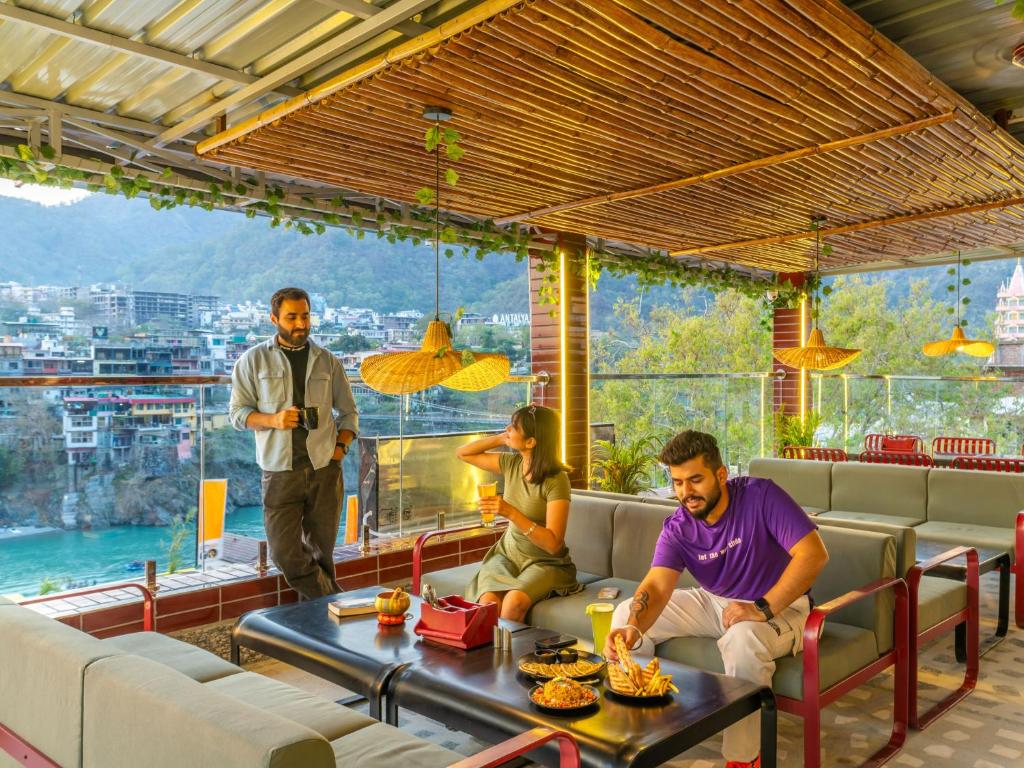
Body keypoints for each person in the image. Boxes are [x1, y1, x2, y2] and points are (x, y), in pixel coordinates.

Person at [604, 430, 828, 768]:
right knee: (625, 614)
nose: (685, 493)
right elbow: (658, 586)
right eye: (678, 482)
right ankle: (639, 729)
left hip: (783, 607)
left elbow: (813, 554)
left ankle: (744, 758)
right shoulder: (678, 527)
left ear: (721, 475)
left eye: (695, 480)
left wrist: (761, 607)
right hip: (715, 601)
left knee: (742, 640)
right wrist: (635, 628)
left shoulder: (761, 496)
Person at [229, 287, 358, 600]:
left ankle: (321, 630)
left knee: (322, 554)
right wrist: (274, 420)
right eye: (291, 317)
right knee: (284, 552)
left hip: (325, 467)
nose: (301, 324)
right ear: (274, 318)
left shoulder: (328, 361)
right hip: (279, 469)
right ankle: (335, 601)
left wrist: (339, 451)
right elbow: (237, 415)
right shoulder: (253, 360)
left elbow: (350, 412)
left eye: (305, 315)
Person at [456, 405, 581, 621]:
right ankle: (485, 655)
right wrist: (503, 438)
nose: (508, 429)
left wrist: (511, 512)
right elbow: (463, 453)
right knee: (488, 603)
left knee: (514, 602)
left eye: (514, 427)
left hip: (545, 562)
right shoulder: (511, 463)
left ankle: (509, 655)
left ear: (531, 442)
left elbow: (553, 544)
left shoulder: (556, 480)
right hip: (508, 554)